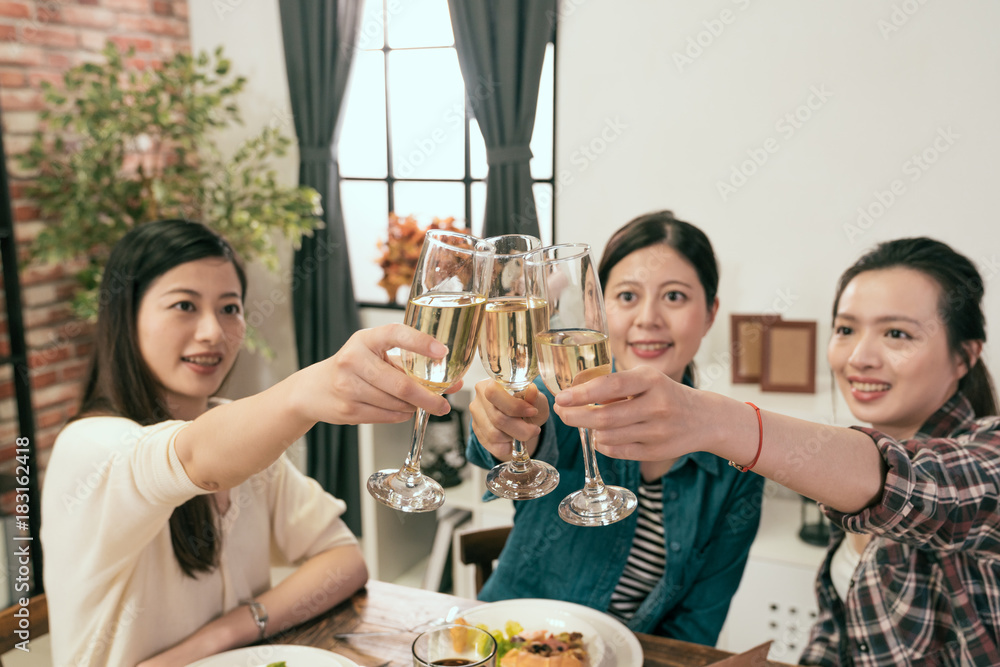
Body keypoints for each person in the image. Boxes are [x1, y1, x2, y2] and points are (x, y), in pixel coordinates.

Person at [554, 237, 1000, 665]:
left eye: (898, 334)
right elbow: (836, 641)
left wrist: (719, 421)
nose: (860, 357)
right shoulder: (843, 477)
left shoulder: (988, 453)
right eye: (846, 329)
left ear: (965, 356)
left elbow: (916, 486)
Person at [40, 220, 459, 666]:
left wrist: (218, 637)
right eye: (184, 305)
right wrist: (304, 394)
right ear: (127, 317)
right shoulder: (87, 447)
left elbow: (343, 560)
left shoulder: (234, 430)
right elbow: (196, 459)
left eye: (229, 308)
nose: (212, 333)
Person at [466, 211, 765, 644]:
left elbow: (694, 632)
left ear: (710, 313)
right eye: (626, 296)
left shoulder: (735, 466)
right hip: (507, 644)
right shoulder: (561, 402)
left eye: (675, 297)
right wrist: (499, 428)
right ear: (600, 310)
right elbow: (509, 438)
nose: (648, 318)